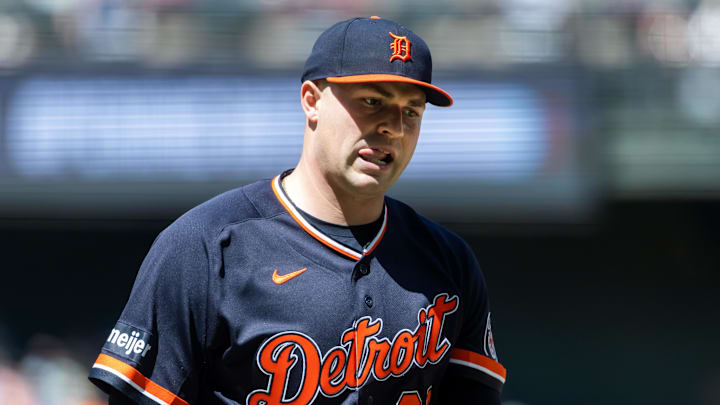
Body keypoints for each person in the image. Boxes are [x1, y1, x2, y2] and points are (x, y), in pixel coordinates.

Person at [89, 16, 507, 405]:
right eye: (372, 101)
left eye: (411, 111)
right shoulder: (204, 247)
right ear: (312, 101)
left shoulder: (449, 263)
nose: (393, 127)